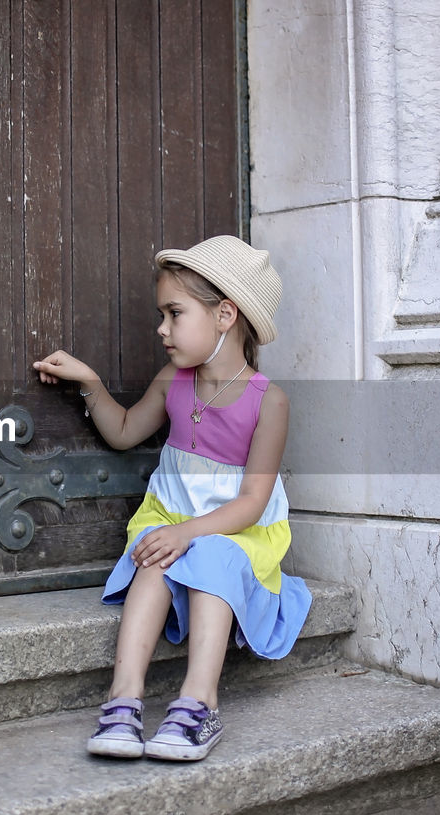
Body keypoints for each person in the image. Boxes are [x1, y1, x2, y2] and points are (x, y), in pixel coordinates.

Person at [32, 235, 312, 762]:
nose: (162, 329)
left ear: (225, 314)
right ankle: (123, 700)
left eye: (174, 313)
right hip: (171, 513)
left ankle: (199, 703)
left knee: (209, 551)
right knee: (156, 557)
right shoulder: (173, 382)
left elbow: (252, 502)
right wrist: (90, 382)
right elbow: (122, 431)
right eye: (163, 314)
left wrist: (189, 533)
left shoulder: (267, 401)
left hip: (238, 528)